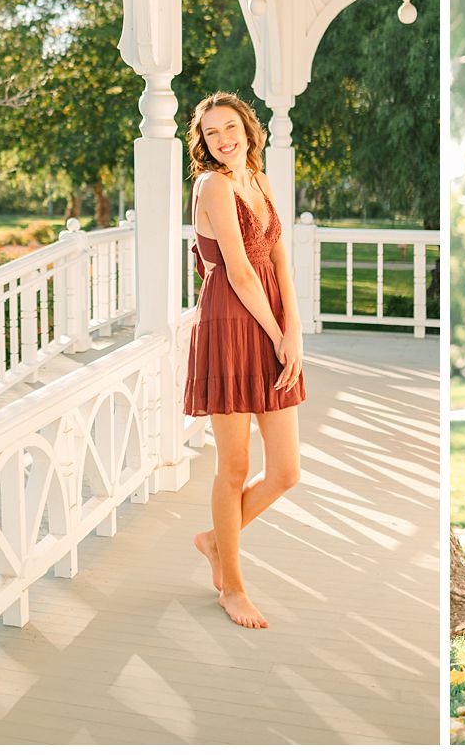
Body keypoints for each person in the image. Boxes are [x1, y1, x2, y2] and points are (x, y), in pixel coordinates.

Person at [183, 91, 306, 629]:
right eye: (211, 133)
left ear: (247, 129)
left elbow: (278, 260)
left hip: (271, 315)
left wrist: (293, 329)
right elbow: (238, 271)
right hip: (231, 323)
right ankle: (232, 588)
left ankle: (216, 540)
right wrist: (276, 333)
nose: (223, 139)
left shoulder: (259, 179)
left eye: (230, 127)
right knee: (233, 467)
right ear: (203, 142)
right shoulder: (211, 185)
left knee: (285, 471)